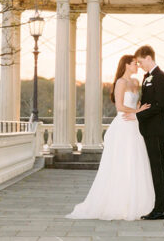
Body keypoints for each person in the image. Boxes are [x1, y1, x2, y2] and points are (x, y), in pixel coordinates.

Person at [66, 55, 154, 220]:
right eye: (135, 63)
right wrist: (137, 112)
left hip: (134, 125)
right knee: (120, 163)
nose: (137, 66)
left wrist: (139, 113)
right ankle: (117, 203)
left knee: (136, 161)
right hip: (122, 125)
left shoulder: (135, 83)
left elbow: (137, 104)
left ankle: (137, 203)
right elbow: (119, 106)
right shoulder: (120, 82)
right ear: (127, 65)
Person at [132, 44, 164, 220]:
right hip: (148, 130)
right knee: (154, 169)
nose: (139, 66)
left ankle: (159, 210)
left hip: (156, 130)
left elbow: (158, 105)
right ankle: (156, 207)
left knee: (158, 169)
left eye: (140, 62)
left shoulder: (161, 78)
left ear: (148, 58)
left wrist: (137, 115)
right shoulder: (147, 77)